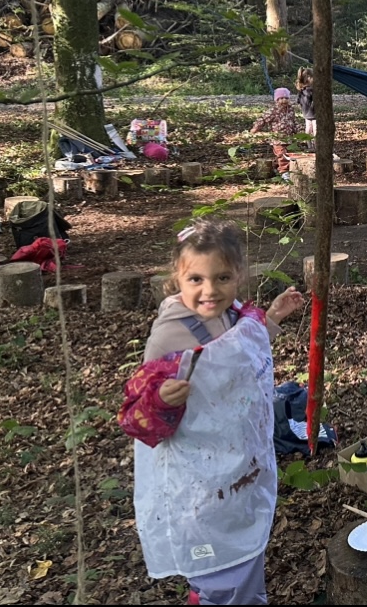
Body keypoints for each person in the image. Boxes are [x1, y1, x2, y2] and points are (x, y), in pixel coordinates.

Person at [118, 220, 305, 605]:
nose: (209, 290)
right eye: (196, 279)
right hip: (197, 483)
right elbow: (135, 416)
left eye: (222, 278)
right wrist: (162, 399)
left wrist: (271, 318)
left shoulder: (233, 312)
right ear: (178, 277)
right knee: (221, 571)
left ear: (238, 275)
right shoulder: (170, 334)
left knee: (242, 557)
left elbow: (238, 355)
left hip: (235, 469)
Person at [250, 87, 299, 176]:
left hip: (289, 138)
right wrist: (256, 128)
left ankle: (275, 168)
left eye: (286, 98)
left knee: (288, 155)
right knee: (282, 155)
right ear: (277, 100)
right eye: (281, 98)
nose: (284, 100)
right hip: (278, 139)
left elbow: (294, 122)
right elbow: (263, 119)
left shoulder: (290, 110)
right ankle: (284, 172)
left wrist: (299, 131)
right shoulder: (273, 111)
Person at [296, 67, 315, 152]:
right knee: (312, 131)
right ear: (308, 78)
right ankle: (313, 146)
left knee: (310, 131)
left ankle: (312, 146)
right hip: (312, 115)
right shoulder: (310, 90)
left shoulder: (302, 90)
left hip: (309, 115)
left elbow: (298, 101)